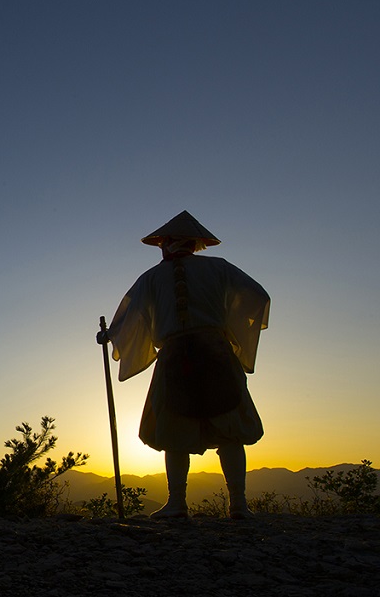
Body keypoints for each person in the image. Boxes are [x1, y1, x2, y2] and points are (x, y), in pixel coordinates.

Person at [98, 210, 270, 519]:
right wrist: (230, 325)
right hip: (215, 351)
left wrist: (110, 335)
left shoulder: (150, 278)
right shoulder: (219, 269)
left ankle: (178, 503)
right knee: (228, 425)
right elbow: (257, 296)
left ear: (170, 243)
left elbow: (130, 316)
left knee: (174, 428)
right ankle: (238, 505)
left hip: (176, 354)